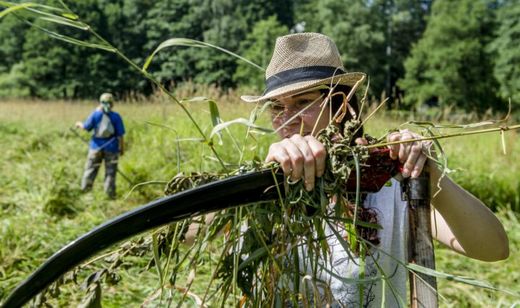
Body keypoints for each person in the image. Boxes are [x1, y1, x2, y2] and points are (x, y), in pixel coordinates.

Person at [240, 33, 509, 306]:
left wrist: (431, 176)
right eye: (276, 107)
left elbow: (493, 248)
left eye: (303, 102)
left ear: (341, 106)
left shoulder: (388, 179)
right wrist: (260, 185)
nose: (287, 120)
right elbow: (196, 229)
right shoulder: (270, 182)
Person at [75, 93, 125, 199]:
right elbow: (120, 136)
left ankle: (85, 192)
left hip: (96, 147)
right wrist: (121, 149)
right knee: (110, 172)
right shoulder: (116, 117)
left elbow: (86, 127)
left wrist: (79, 124)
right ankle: (110, 194)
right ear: (112, 104)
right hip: (112, 148)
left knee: (90, 169)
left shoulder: (95, 114)